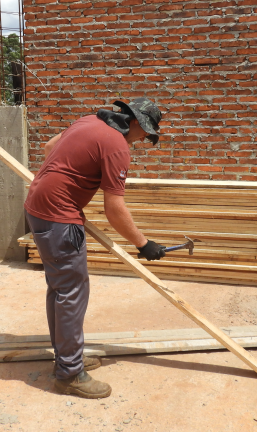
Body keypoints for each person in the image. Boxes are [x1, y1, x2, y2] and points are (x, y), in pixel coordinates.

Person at [24, 97, 167, 399]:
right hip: (59, 217)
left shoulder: (89, 121)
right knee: (72, 293)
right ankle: (69, 373)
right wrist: (144, 244)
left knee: (61, 290)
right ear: (136, 122)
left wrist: (65, 186)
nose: (144, 139)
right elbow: (114, 209)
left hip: (38, 206)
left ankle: (67, 357)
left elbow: (49, 148)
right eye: (145, 133)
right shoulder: (117, 146)